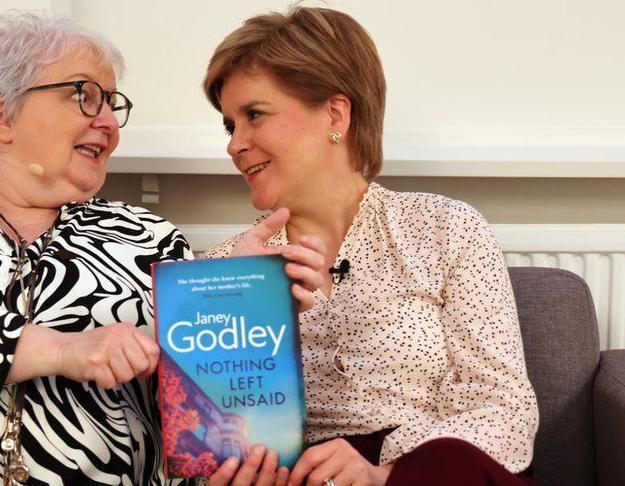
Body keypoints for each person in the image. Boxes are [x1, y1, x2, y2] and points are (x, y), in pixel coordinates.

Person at [0, 11, 324, 486]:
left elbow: (196, 406)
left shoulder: (147, 237)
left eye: (112, 103)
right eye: (84, 96)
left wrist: (230, 297)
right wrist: (59, 349)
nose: (107, 122)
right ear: (1, 116)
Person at [199, 6, 539, 486]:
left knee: (450, 464)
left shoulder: (446, 228)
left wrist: (385, 473)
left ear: (336, 114)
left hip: (432, 473)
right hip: (305, 480)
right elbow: (215, 441)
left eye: (254, 115)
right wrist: (241, 301)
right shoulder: (225, 266)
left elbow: (506, 411)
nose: (235, 145)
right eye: (230, 126)